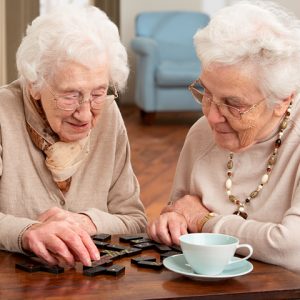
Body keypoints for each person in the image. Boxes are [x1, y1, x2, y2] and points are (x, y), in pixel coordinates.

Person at [148, 1, 300, 272]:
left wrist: (205, 222)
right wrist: (171, 222)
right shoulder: (202, 134)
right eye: (206, 92)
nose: (212, 116)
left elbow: (293, 249)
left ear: (282, 100)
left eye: (234, 104)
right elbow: (180, 215)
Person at [0, 5, 147, 267]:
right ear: (35, 84)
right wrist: (26, 232)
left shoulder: (110, 115)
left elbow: (134, 220)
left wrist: (85, 221)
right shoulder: (2, 115)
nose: (85, 114)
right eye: (70, 96)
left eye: (98, 93)